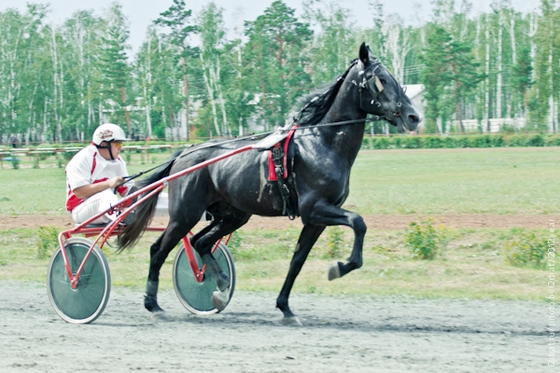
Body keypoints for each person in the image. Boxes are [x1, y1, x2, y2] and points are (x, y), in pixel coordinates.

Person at [65, 123, 136, 225]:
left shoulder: (119, 161)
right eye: (117, 144)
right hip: (81, 209)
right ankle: (121, 216)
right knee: (106, 195)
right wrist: (108, 184)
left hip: (107, 208)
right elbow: (79, 192)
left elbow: (128, 190)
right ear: (103, 144)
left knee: (150, 195)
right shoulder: (82, 159)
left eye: (121, 144)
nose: (120, 148)